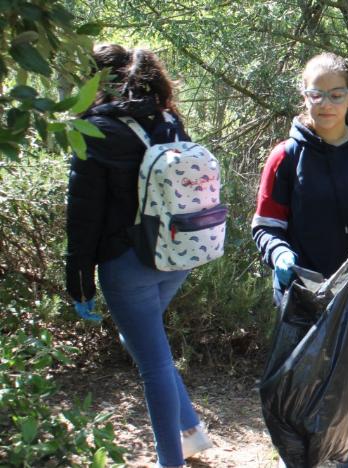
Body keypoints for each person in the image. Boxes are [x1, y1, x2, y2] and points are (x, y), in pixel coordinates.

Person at [252, 52, 348, 467]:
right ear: (304, 97)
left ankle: (346, 461)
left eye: (335, 94)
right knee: (299, 386)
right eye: (316, 94)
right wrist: (279, 253)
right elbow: (265, 225)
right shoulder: (285, 156)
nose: (326, 104)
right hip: (303, 296)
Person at [64, 44, 212, 467]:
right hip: (178, 255)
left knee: (153, 364)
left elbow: (83, 218)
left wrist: (79, 282)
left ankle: (172, 461)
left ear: (95, 81)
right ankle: (191, 432)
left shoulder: (93, 130)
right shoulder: (168, 120)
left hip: (127, 265)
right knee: (145, 343)